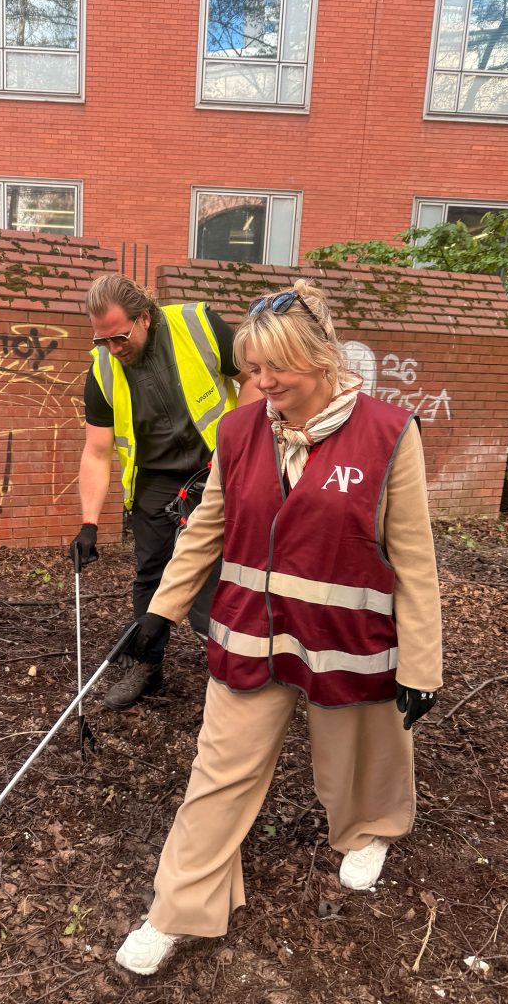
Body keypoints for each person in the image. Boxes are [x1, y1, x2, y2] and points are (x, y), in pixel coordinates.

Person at [113, 280, 443, 975]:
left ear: (321, 359)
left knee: (357, 760)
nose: (259, 384)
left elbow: (415, 563)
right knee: (217, 775)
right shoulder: (238, 429)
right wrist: (159, 612)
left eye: (274, 370)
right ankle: (177, 907)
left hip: (347, 639)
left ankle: (368, 830)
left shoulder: (388, 434)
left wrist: (421, 668)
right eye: (250, 370)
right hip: (250, 634)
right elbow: (207, 528)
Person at [69, 273, 256, 711]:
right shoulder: (101, 371)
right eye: (101, 340)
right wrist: (89, 524)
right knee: (150, 573)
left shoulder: (200, 325)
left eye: (118, 337)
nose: (112, 349)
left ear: (145, 318)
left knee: (219, 569)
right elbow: (96, 452)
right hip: (154, 479)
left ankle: (226, 666)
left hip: (216, 466)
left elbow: (253, 376)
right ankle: (147, 666)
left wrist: (236, 443)